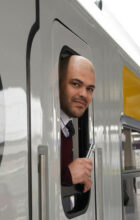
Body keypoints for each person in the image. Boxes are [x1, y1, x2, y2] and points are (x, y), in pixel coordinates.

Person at [59, 55, 95, 193]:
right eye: (75, 84)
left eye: (90, 89)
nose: (84, 95)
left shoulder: (66, 127)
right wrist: (68, 176)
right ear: (58, 83)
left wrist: (78, 175)